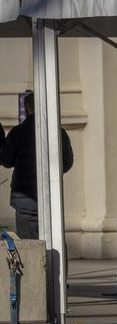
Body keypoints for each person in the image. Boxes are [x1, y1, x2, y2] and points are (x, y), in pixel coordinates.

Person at [0, 92, 74, 239]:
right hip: (50, 201)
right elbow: (67, 163)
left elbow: (5, 160)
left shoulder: (17, 133)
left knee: (31, 250)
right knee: (53, 244)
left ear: (27, 109)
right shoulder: (58, 132)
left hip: (24, 205)